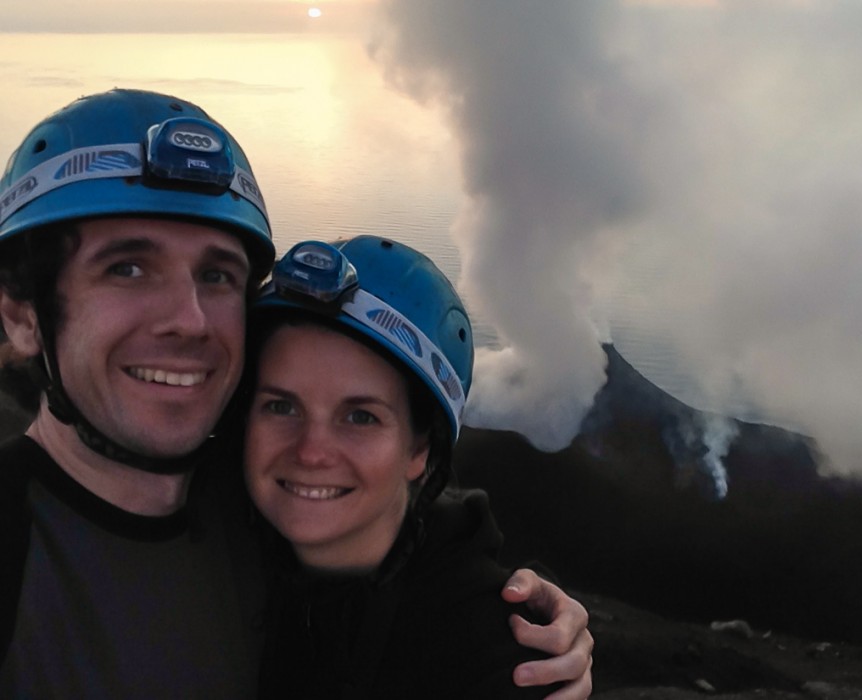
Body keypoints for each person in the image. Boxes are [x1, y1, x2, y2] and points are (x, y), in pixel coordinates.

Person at [0, 89, 593, 698]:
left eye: (217, 275)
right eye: (127, 268)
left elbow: (404, 544)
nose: (191, 319)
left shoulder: (253, 513)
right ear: (22, 315)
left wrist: (501, 619)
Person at [244, 236, 569, 698]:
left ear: (421, 451)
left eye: (361, 416)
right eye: (280, 406)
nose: (311, 452)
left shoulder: (497, 660)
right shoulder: (211, 555)